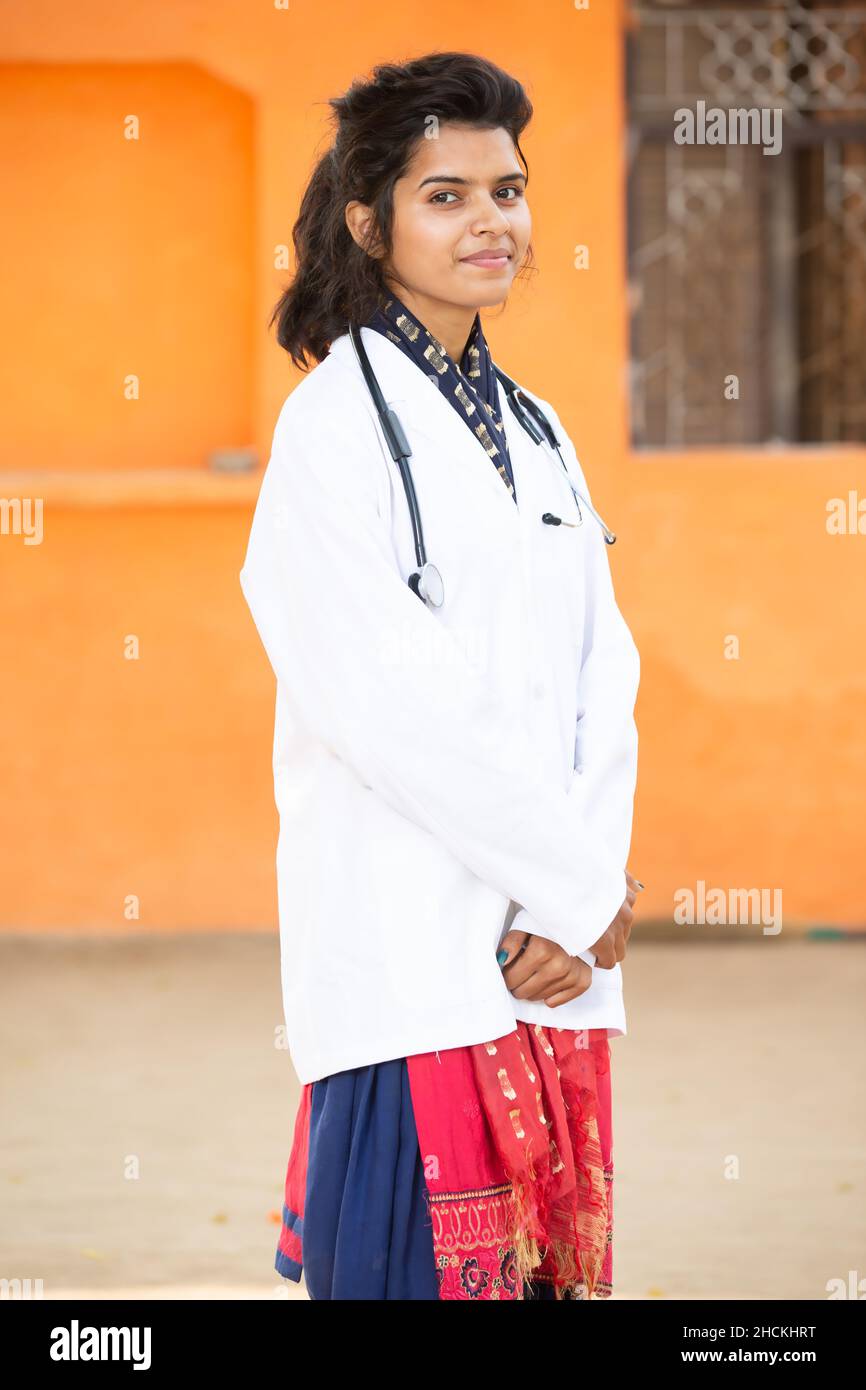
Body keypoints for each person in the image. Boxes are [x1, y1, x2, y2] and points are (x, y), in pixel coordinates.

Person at [239, 51, 642, 1301]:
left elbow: (601, 669)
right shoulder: (332, 429)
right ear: (370, 223)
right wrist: (570, 884)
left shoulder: (537, 425)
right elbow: (384, 699)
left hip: (548, 952)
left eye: (507, 191)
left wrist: (578, 896)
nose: (491, 223)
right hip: (409, 943)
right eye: (446, 194)